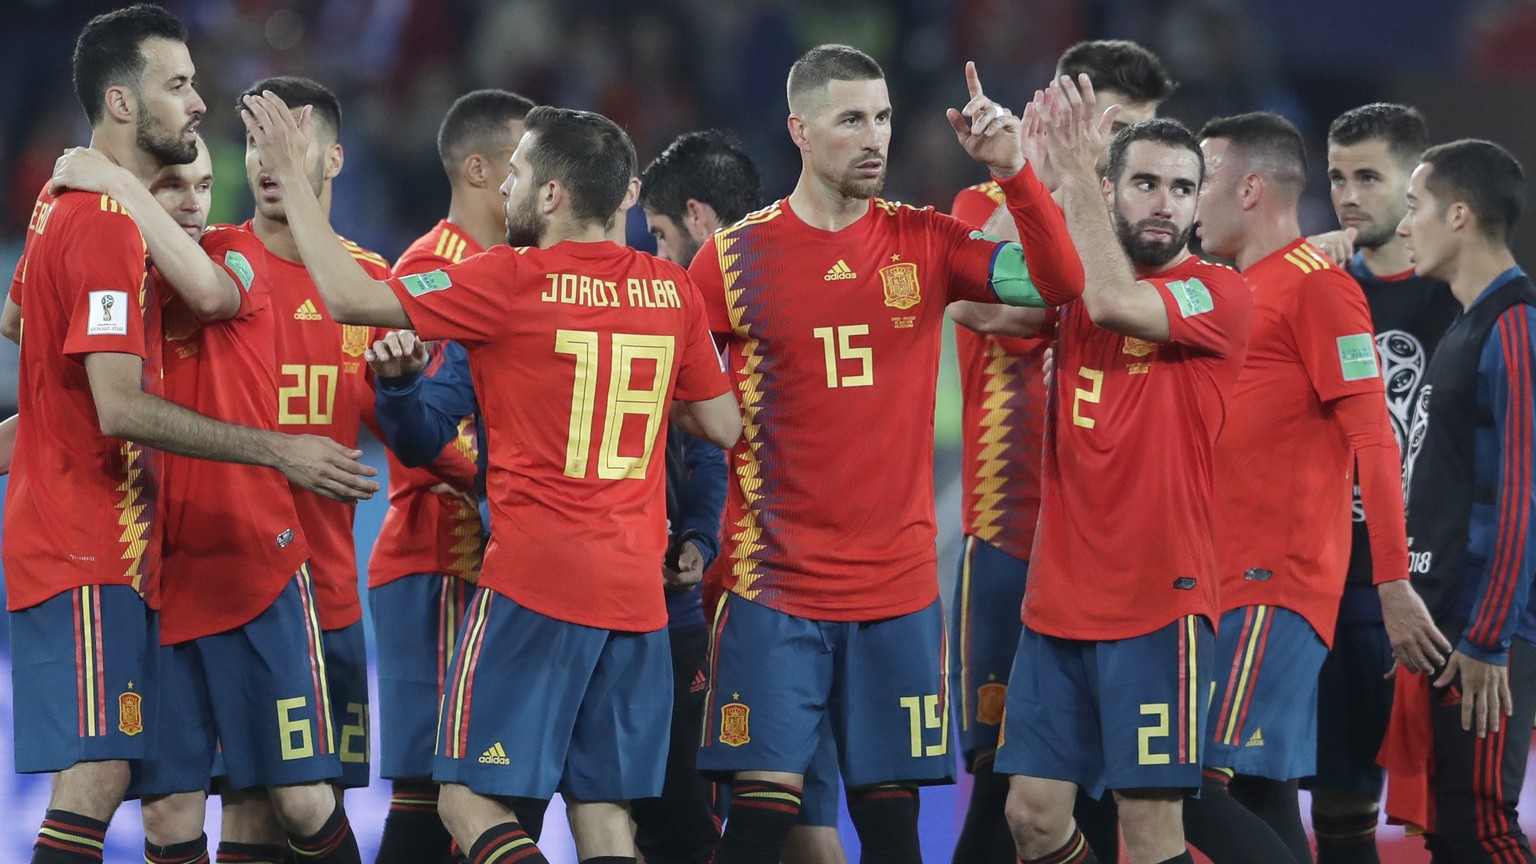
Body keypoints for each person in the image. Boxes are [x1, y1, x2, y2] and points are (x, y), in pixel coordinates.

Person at [242, 92, 743, 864]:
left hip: (535, 584)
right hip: (638, 597)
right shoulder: (671, 290)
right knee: (604, 817)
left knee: (465, 800)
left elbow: (348, 297)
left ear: (551, 193)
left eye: (518, 176)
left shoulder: (511, 278)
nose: (504, 190)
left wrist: (291, 180)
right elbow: (723, 427)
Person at [688, 46, 1085, 864]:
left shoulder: (929, 242)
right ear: (799, 130)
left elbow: (1059, 284)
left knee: (895, 832)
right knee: (761, 820)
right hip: (775, 587)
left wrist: (1014, 173)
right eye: (850, 120)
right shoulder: (732, 260)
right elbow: (670, 387)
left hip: (898, 596)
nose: (874, 138)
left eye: (882, 118)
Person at [5, 7, 375, 863]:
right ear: (124, 103)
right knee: (150, 802)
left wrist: (114, 188)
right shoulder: (113, 248)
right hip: (136, 566)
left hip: (240, 564)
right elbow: (66, 377)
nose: (191, 203)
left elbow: (198, 295)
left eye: (204, 190)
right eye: (178, 85)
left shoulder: (224, 258)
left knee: (282, 797)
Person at [966, 77, 1249, 864]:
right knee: (1030, 815)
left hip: (1159, 602)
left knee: (1151, 824)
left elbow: (1117, 303)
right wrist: (1019, 171)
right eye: (1145, 183)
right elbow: (976, 301)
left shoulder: (1217, 293)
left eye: (1182, 188)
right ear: (1110, 192)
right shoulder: (1072, 288)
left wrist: (1074, 178)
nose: (1165, 202)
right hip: (1058, 599)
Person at [1190, 111, 1443, 864]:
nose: (1187, 201)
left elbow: (1374, 437)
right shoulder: (1241, 290)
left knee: (1189, 783)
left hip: (1275, 582)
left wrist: (1394, 581)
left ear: (1250, 189)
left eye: (1200, 178)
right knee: (1262, 791)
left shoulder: (1318, 290)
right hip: (1225, 579)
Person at [946, 39, 1174, 864]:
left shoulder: (1149, 244)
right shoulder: (980, 207)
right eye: (1116, 129)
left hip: (1126, 560)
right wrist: (1034, 167)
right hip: (1013, 539)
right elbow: (988, 309)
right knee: (1002, 786)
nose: (1132, 154)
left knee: (1122, 791)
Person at [365, 87, 534, 864]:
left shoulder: (510, 270)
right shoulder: (433, 270)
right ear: (478, 169)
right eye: (523, 163)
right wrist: (505, 481)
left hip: (496, 561)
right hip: (442, 553)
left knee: (489, 789)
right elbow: (421, 426)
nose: (537, 180)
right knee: (434, 794)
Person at [232, 77, 393, 851]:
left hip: (331, 596)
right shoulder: (210, 273)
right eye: (256, 144)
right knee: (248, 808)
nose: (269, 163)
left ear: (333, 158)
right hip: (232, 593)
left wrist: (403, 391)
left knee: (294, 808)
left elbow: (418, 435)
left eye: (287, 145)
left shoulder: (370, 286)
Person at [1301, 103, 1462, 864]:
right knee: (1337, 802)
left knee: (1453, 814)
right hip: (1327, 582)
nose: (1349, 195)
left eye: (1370, 176)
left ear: (1416, 183)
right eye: (1337, 177)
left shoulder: (1460, 300)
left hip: (1426, 593)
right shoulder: (1312, 289)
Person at [1384, 138, 1536, 864]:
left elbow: (1522, 494)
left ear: (1460, 215)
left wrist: (1489, 638)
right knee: (1452, 831)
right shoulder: (1464, 326)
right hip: (1451, 624)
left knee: (1483, 828)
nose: (1404, 224)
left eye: (1414, 207)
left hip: (1484, 635)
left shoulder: (1515, 325)